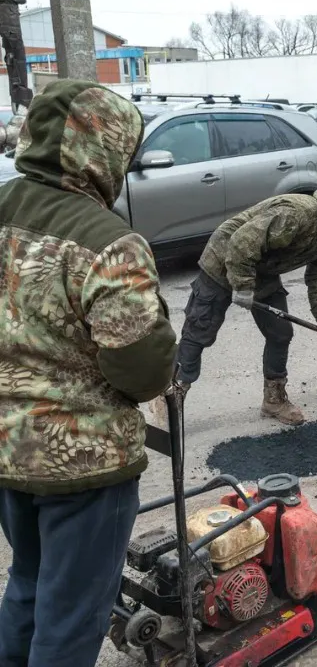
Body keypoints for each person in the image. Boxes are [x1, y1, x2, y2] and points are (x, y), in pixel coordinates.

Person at [0, 80, 178, 666]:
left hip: (6, 452)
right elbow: (143, 370)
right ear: (108, 150)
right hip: (83, 467)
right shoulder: (107, 242)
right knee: (73, 614)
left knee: (28, 580)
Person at [172, 188, 317, 426]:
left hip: (263, 271)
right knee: (199, 332)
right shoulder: (298, 214)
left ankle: (274, 401)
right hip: (222, 262)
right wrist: (243, 286)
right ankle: (172, 394)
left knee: (280, 333)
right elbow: (241, 243)